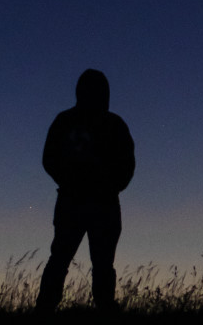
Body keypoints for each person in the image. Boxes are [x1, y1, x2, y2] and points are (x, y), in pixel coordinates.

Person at [36, 69, 135, 312]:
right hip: (81, 202)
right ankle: (45, 310)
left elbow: (127, 165)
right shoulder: (70, 122)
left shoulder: (111, 124)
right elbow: (49, 159)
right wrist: (73, 182)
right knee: (63, 259)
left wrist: (109, 186)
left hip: (96, 203)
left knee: (96, 263)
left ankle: (100, 308)